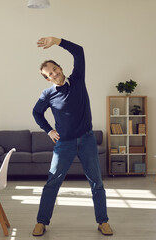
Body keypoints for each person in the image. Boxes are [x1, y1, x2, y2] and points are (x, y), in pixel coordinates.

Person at [32, 37, 113, 236]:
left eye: (55, 69)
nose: (54, 73)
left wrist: (57, 41)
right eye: (49, 74)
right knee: (52, 182)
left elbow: (79, 51)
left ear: (60, 67)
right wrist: (49, 130)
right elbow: (36, 113)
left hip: (86, 139)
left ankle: (102, 221)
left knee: (96, 182)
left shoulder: (78, 79)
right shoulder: (47, 95)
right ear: (48, 79)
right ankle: (42, 221)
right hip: (64, 144)